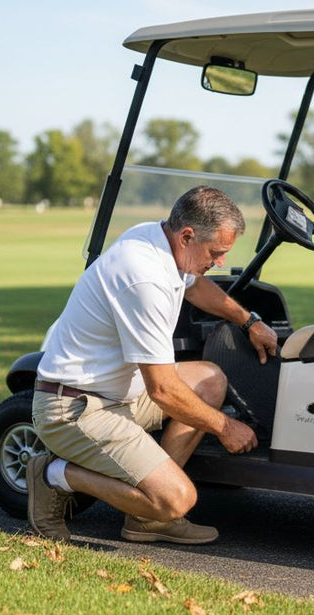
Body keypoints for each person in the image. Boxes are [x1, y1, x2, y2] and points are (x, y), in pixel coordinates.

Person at [29, 186, 278, 544]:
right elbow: (162, 390)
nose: (221, 261)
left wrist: (249, 321)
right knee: (178, 499)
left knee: (209, 379)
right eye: (216, 252)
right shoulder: (144, 278)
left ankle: (145, 520)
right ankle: (53, 474)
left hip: (120, 395)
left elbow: (195, 287)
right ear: (187, 236)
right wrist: (226, 427)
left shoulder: (160, 238)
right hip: (74, 409)